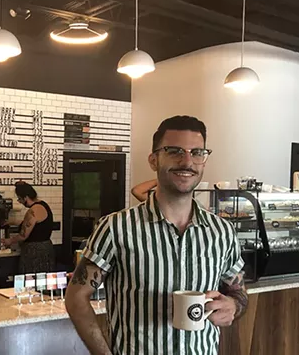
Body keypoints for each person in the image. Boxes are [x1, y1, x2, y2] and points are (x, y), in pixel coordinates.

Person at [66, 115, 247, 355]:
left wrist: (234, 305)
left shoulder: (221, 232)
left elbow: (239, 292)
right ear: (153, 160)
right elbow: (76, 297)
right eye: (174, 151)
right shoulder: (116, 228)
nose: (187, 161)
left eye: (197, 152)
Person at [1, 181, 55, 273]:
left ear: (26, 197)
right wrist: (12, 221)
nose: (20, 202)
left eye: (20, 199)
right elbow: (36, 225)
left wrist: (9, 241)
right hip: (46, 249)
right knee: (43, 280)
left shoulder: (33, 210)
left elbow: (23, 235)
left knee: (31, 282)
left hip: (34, 252)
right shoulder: (43, 205)